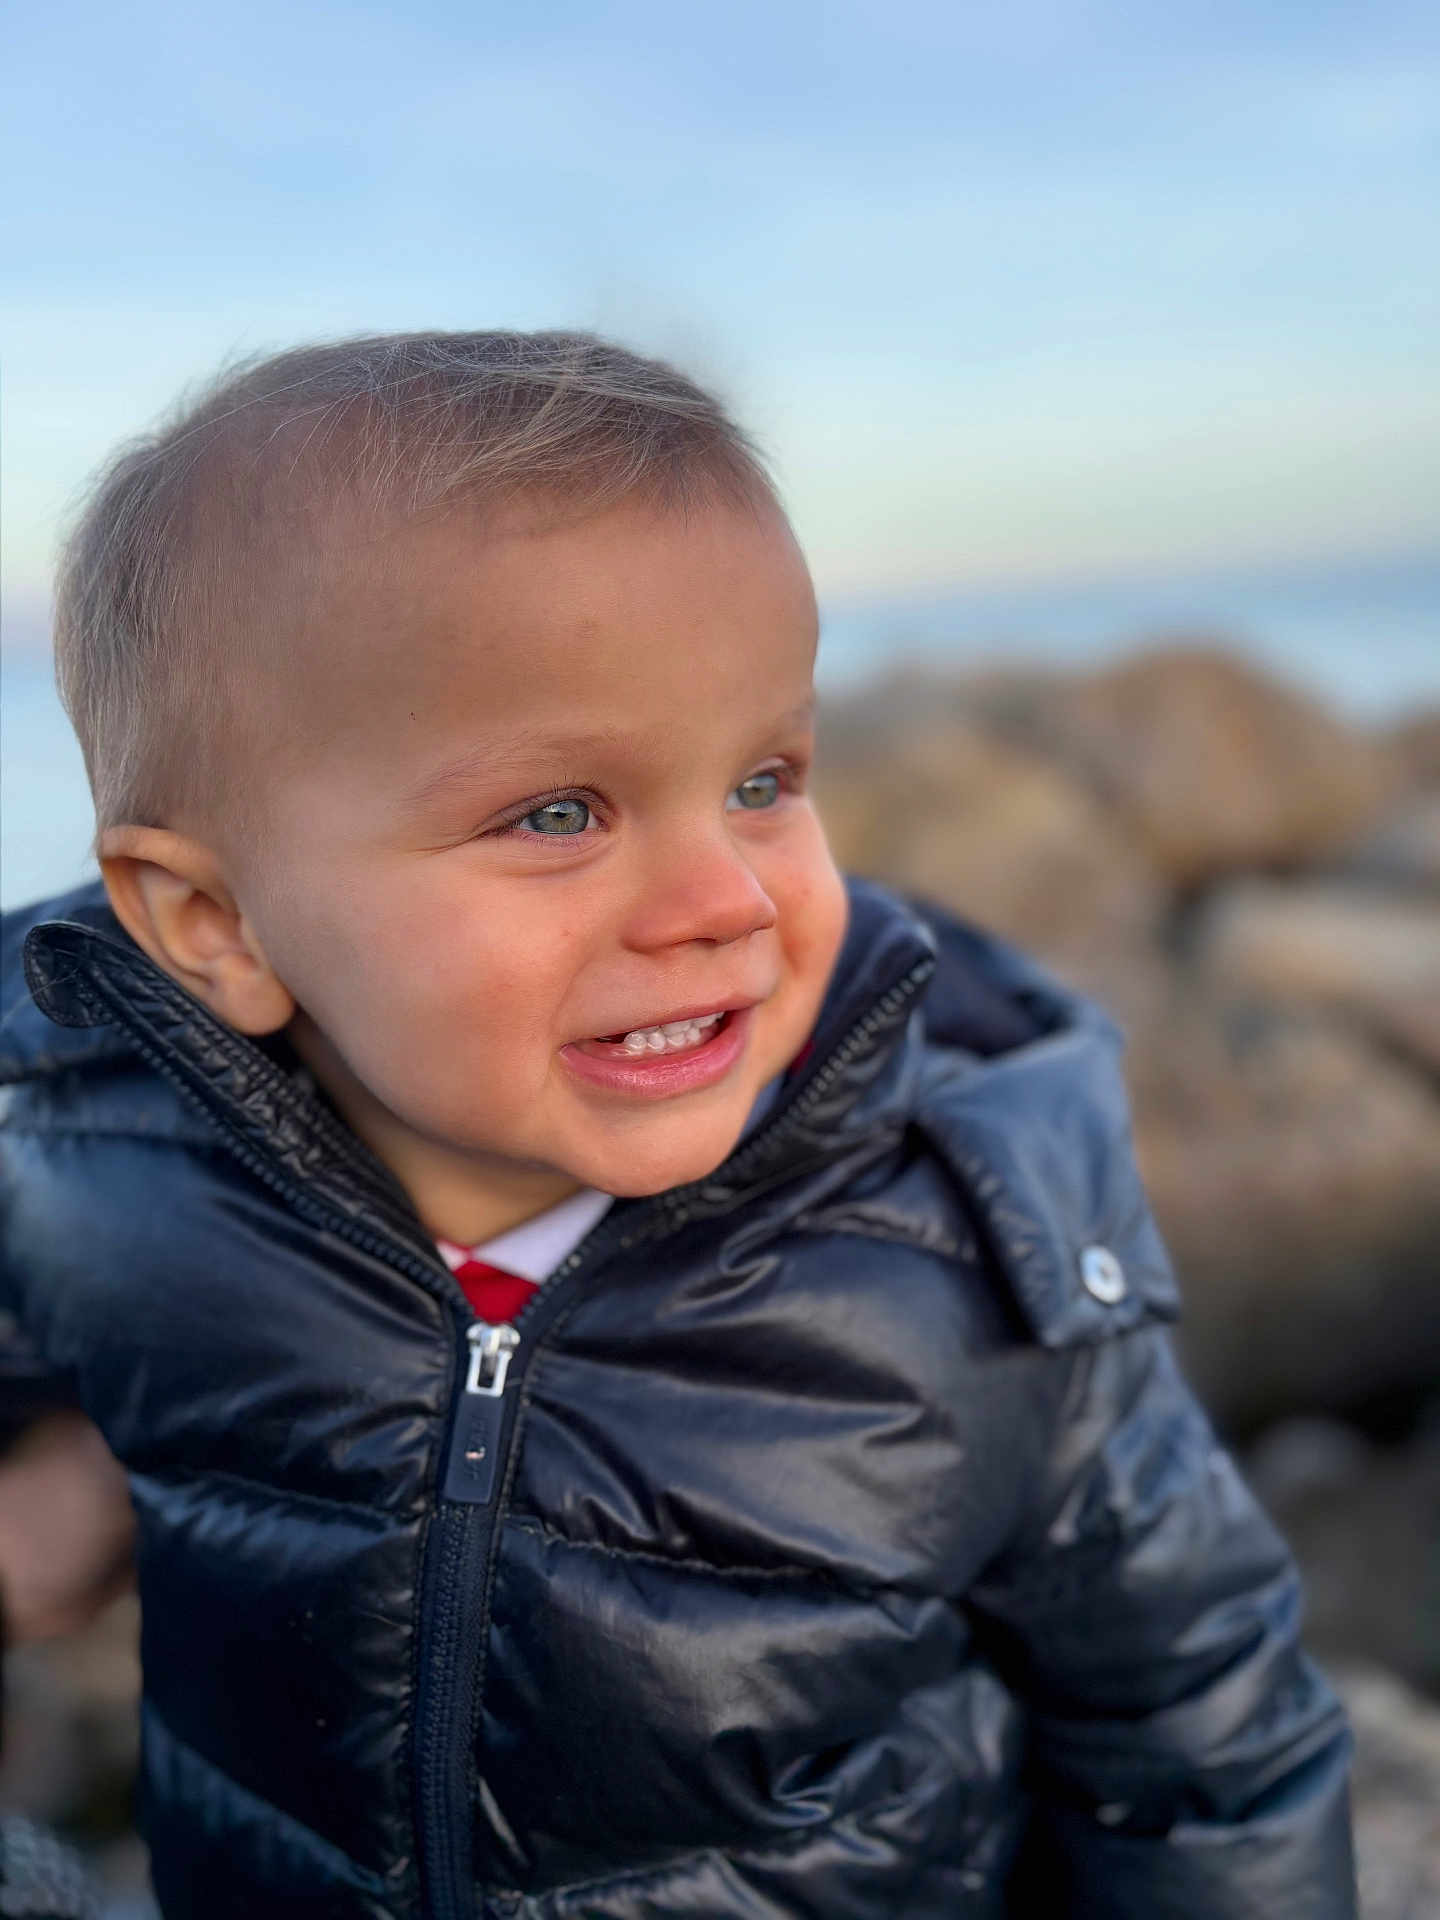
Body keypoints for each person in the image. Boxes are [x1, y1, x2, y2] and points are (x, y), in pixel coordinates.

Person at [0, 331, 1354, 1918]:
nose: (727, 901)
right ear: (213, 923)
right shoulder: (100, 1164)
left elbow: (1200, 1736)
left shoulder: (966, 1242)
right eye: (560, 814)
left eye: (765, 779)